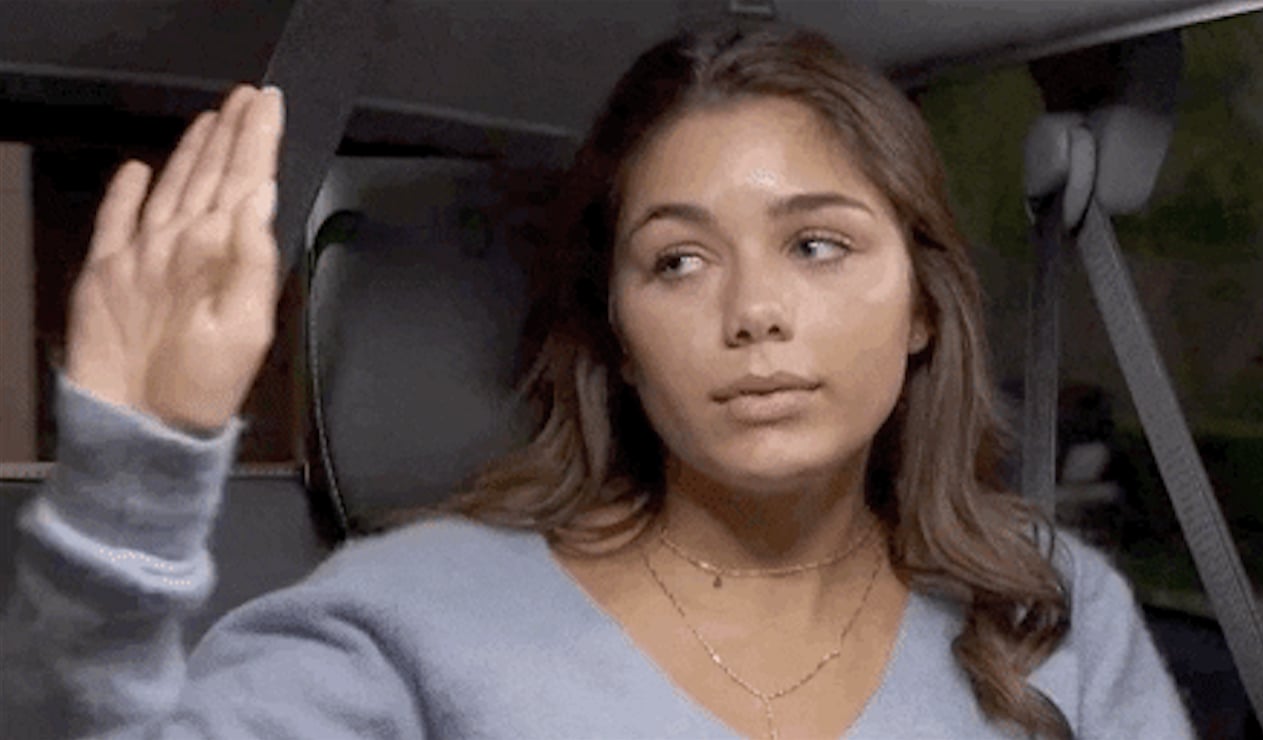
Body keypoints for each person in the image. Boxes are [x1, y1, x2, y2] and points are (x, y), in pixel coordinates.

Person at [1, 24, 1195, 740]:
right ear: (618, 334)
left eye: (815, 243)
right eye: (677, 259)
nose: (754, 310)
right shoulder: (409, 614)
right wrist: (134, 472)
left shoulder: (1047, 607)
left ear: (924, 300)